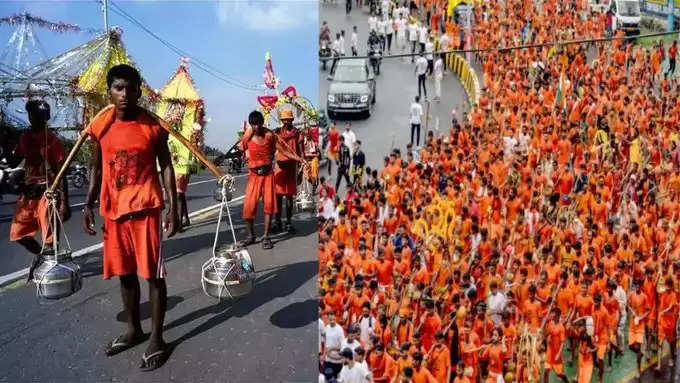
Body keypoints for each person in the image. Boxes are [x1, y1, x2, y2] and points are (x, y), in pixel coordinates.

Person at [82, 64, 178, 371]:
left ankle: (157, 338)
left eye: (131, 88)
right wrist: (87, 203)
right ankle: (135, 329)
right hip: (114, 212)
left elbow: (166, 167)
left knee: (153, 275)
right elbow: (97, 167)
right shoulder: (101, 125)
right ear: (109, 91)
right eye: (119, 88)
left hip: (146, 211)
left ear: (139, 91)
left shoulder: (153, 126)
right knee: (125, 274)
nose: (125, 94)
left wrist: (173, 207)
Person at [9, 100, 69, 281]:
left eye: (39, 116)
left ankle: (52, 271)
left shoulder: (53, 141)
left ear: (46, 117)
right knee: (18, 234)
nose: (34, 119)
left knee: (50, 241)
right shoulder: (24, 139)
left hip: (47, 194)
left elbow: (61, 171)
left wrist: (64, 202)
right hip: (28, 195)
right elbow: (13, 161)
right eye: (32, 115)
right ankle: (41, 256)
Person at [239, 110, 277, 249]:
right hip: (254, 176)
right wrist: (246, 134)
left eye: (259, 124)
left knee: (269, 206)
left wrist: (266, 165)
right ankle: (251, 235)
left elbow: (273, 151)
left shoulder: (269, 135)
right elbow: (241, 147)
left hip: (268, 175)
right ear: (250, 125)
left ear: (262, 122)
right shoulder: (247, 137)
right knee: (248, 207)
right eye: (254, 125)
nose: (257, 127)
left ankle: (266, 236)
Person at [274, 109, 303, 234]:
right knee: (278, 196)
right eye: (284, 119)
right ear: (281, 120)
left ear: (292, 120)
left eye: (288, 119)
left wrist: (301, 168)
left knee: (290, 196)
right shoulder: (277, 132)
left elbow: (301, 151)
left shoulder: (297, 133)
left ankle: (289, 223)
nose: (286, 121)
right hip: (279, 167)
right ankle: (278, 222)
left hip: (292, 166)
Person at [325, 311, 347, 379]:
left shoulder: (339, 330)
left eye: (333, 319)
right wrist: (324, 355)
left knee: (335, 379)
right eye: (330, 320)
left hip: (337, 360)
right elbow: (326, 342)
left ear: (336, 318)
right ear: (328, 319)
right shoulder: (327, 327)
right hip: (328, 360)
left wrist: (331, 349)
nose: (332, 321)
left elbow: (343, 345)